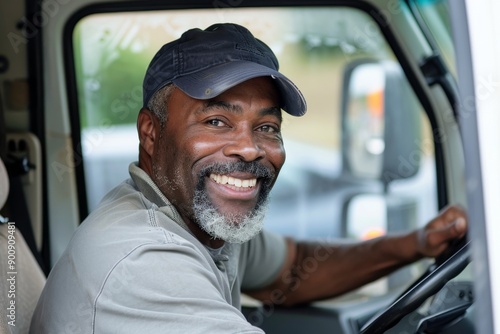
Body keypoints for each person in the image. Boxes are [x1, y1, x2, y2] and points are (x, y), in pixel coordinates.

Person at [30, 23, 467, 333]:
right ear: (151, 132)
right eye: (217, 121)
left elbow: (293, 269)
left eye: (267, 127)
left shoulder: (195, 219)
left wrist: (417, 244)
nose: (251, 148)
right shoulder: (142, 262)